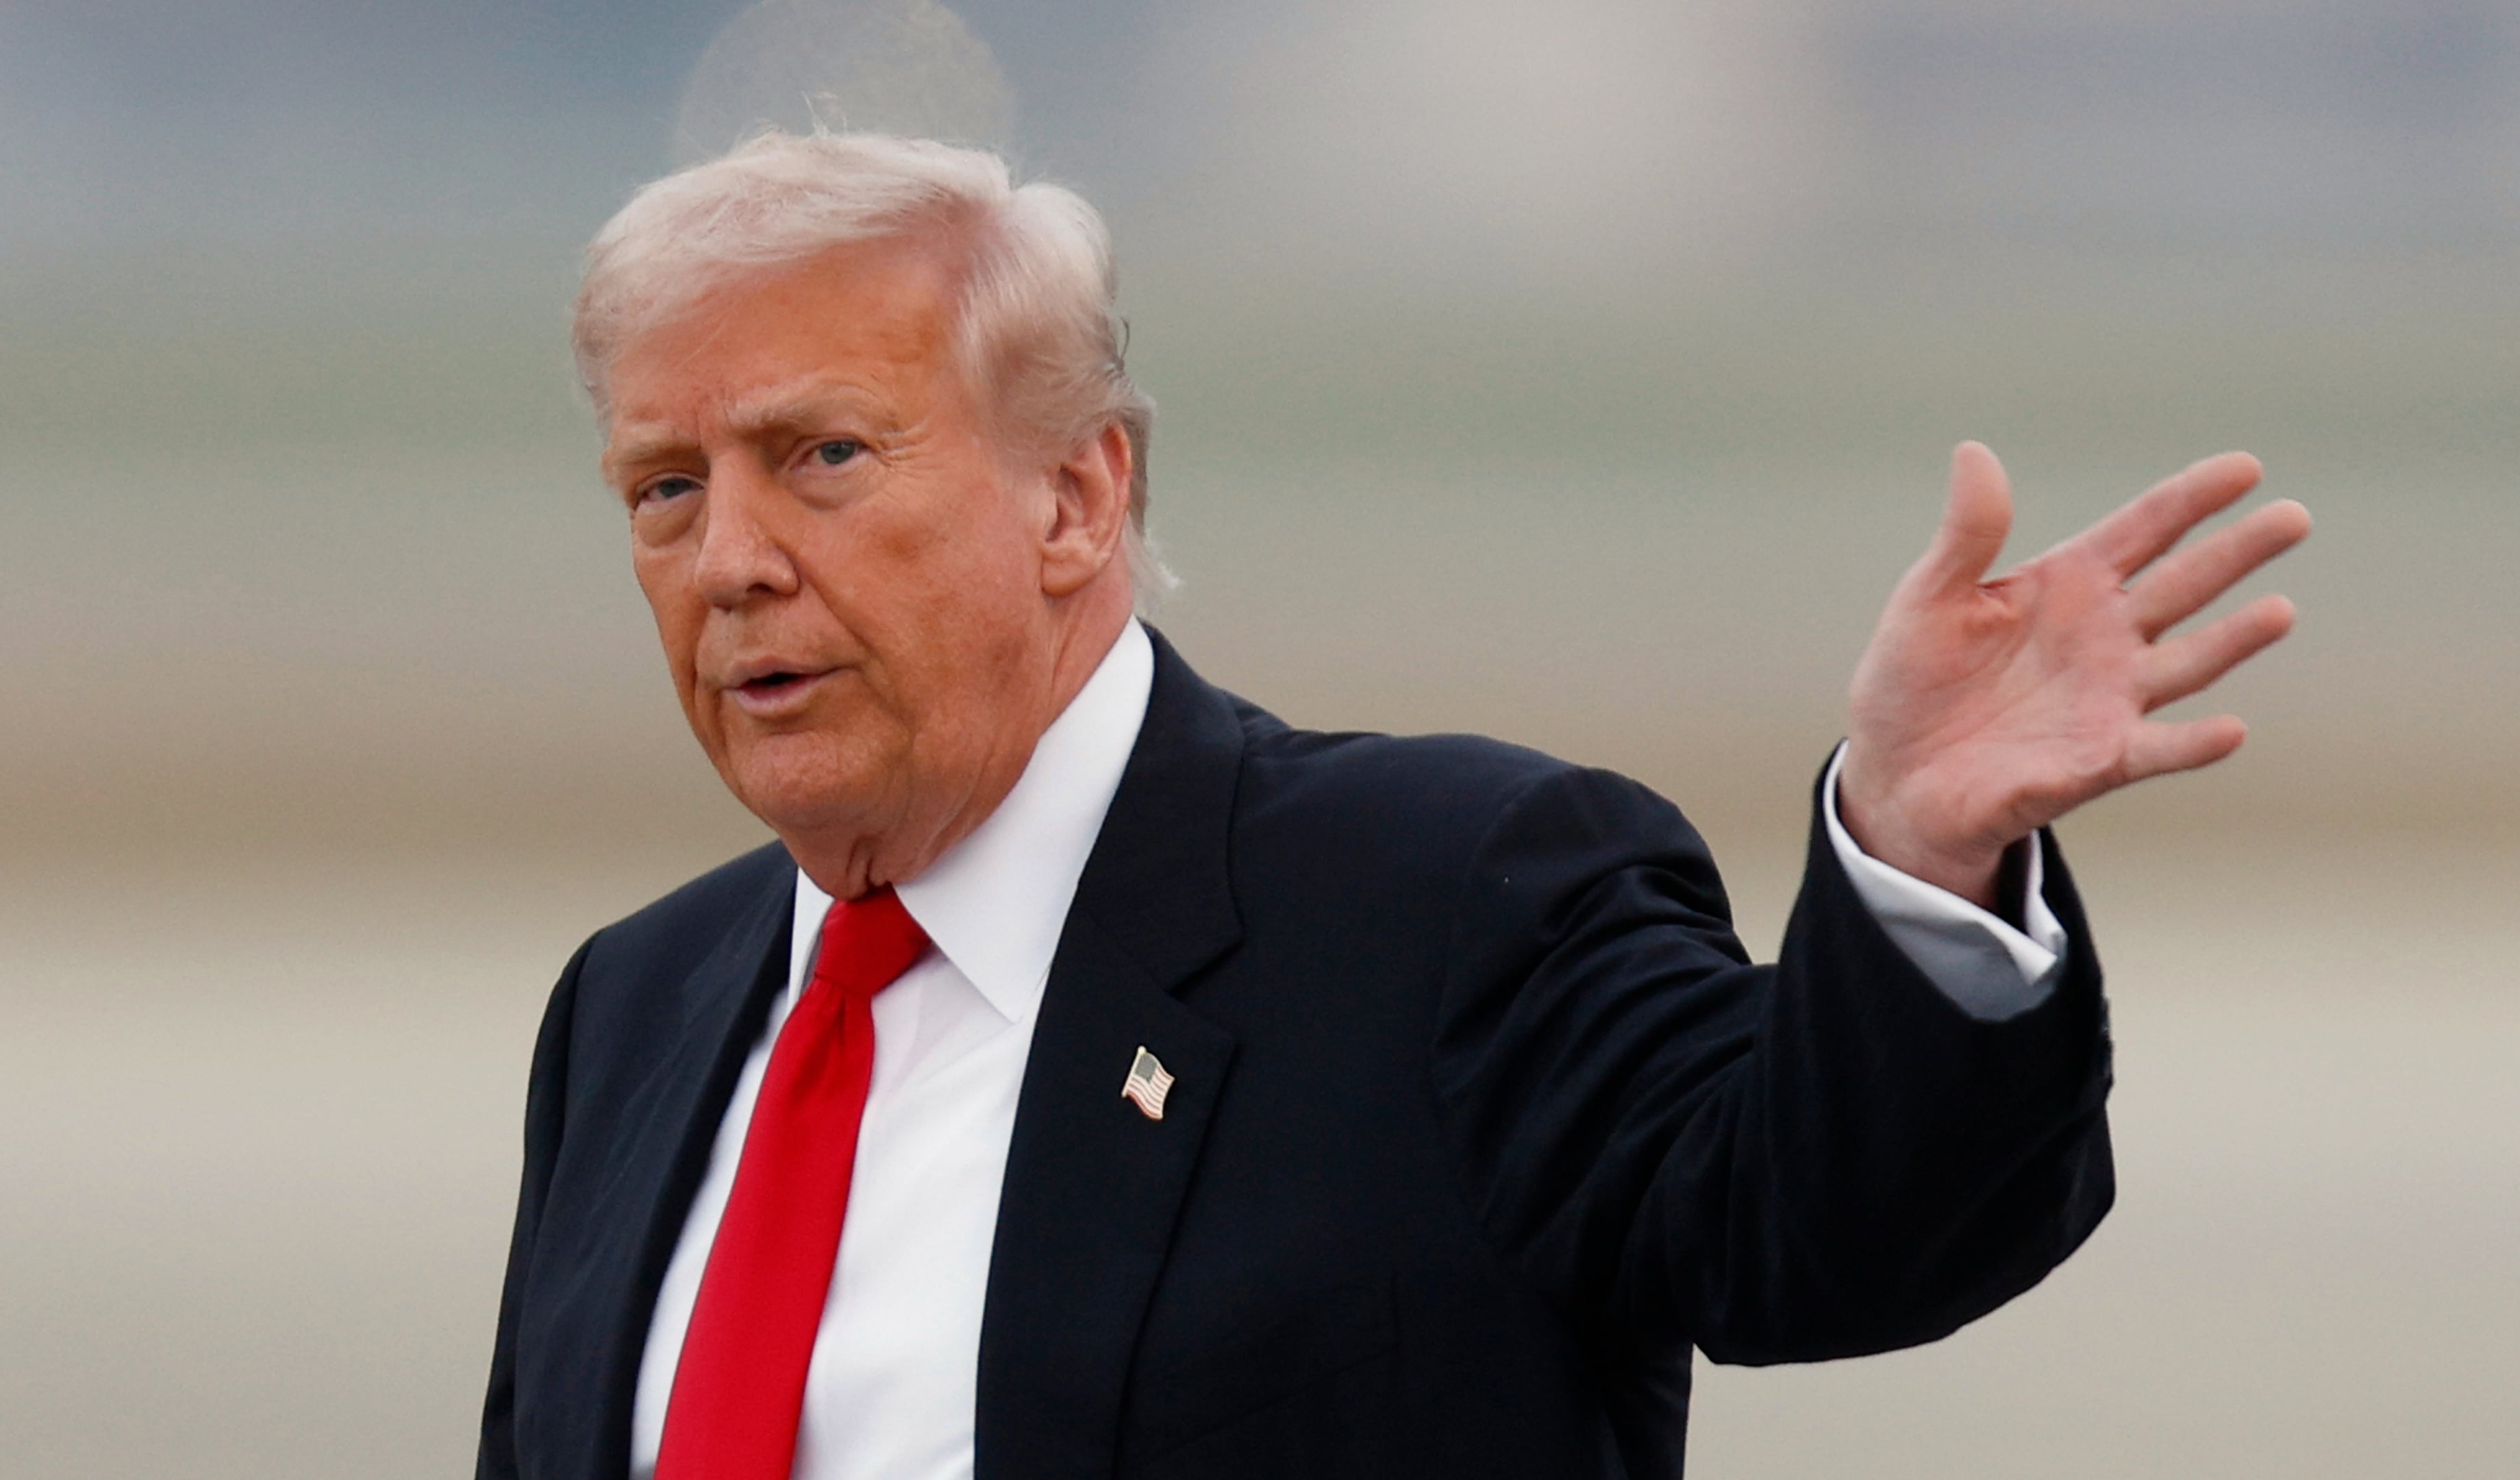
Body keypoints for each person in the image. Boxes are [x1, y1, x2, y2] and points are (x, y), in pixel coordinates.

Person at [476, 132, 2308, 1480]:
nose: (729, 561)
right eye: (660, 490)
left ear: (1076, 499)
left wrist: (1920, 856)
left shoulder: (1442, 902)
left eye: (823, 459)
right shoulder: (639, 1008)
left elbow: (1821, 1230)